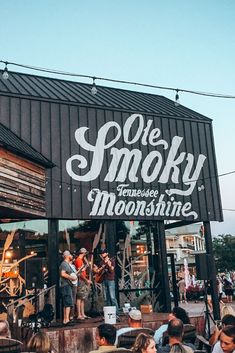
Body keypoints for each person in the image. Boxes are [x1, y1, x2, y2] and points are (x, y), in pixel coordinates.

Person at [59, 250, 76, 325]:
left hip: (67, 285)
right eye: (70, 255)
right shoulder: (64, 264)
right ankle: (66, 320)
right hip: (65, 285)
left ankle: (66, 319)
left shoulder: (66, 264)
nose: (71, 256)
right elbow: (63, 274)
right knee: (68, 302)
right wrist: (71, 278)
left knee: (67, 302)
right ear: (67, 256)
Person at [74, 247, 91, 320]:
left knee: (82, 297)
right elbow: (79, 273)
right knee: (80, 297)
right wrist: (86, 280)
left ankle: (82, 313)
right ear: (83, 253)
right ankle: (79, 314)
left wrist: (86, 262)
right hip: (81, 280)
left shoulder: (81, 260)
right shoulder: (78, 260)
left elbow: (85, 267)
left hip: (83, 279)